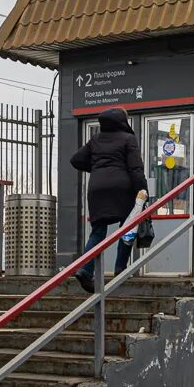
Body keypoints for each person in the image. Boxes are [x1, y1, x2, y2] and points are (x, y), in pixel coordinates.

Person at [70, 107, 148, 293]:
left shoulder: (96, 139)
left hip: (97, 189)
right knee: (127, 227)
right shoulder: (128, 139)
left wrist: (97, 169)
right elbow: (136, 169)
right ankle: (120, 269)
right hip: (122, 189)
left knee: (97, 232)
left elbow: (75, 160)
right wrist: (143, 191)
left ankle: (85, 270)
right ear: (122, 121)